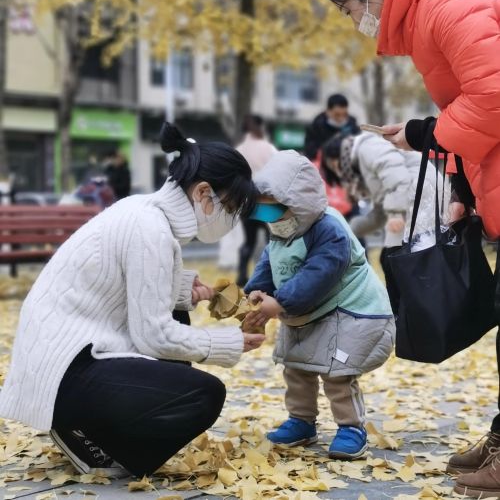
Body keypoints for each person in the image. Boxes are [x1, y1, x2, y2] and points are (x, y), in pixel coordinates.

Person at [319, 0, 500, 496]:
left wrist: (427, 134)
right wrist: (431, 144)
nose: (354, 22)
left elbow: (495, 97)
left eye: (347, 10)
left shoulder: (446, 5)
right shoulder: (442, 5)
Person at [0, 122, 265, 479]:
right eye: (230, 206)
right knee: (204, 394)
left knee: (179, 318)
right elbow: (153, 335)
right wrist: (228, 343)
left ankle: (86, 425)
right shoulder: (150, 229)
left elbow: (127, 284)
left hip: (65, 354)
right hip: (64, 367)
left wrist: (185, 292)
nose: (232, 219)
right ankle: (94, 442)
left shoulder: (144, 211)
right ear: (204, 193)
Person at [242, 150, 395, 460]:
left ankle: (351, 427)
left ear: (298, 204)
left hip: (353, 312)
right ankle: (301, 421)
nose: (270, 222)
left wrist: (280, 302)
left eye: (273, 214)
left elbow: (317, 275)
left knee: (337, 373)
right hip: (311, 311)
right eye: (263, 215)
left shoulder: (329, 230)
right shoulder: (284, 229)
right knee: (296, 366)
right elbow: (270, 261)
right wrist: (257, 290)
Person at [322, 132, 435, 313]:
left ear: (337, 155)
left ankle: (403, 312)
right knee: (393, 259)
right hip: (408, 200)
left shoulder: (367, 147)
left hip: (416, 196)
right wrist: (347, 231)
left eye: (333, 165)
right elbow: (379, 213)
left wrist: (396, 213)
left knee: (394, 259)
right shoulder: (362, 167)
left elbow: (396, 176)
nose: (338, 172)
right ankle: (405, 311)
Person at [235, 115, 277, 286]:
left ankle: (242, 276)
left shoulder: (238, 150)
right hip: (267, 202)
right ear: (260, 127)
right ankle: (270, 277)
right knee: (272, 242)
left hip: (246, 202)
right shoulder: (268, 148)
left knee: (249, 242)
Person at [304, 93, 360, 161]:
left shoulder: (353, 126)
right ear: (328, 111)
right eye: (337, 115)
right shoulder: (316, 127)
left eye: (344, 114)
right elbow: (310, 152)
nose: (341, 118)